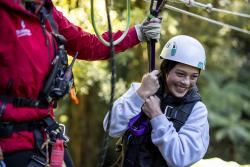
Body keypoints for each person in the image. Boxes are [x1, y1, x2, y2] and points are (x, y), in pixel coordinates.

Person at [0, 0, 162, 166]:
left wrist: (137, 33)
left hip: (45, 134)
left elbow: (86, 44)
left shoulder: (45, 11)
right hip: (11, 141)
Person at [103, 35, 210, 167]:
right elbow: (111, 127)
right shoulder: (140, 91)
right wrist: (140, 95)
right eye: (180, 74)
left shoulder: (197, 110)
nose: (186, 82)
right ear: (166, 70)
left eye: (194, 76)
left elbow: (181, 158)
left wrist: (157, 116)